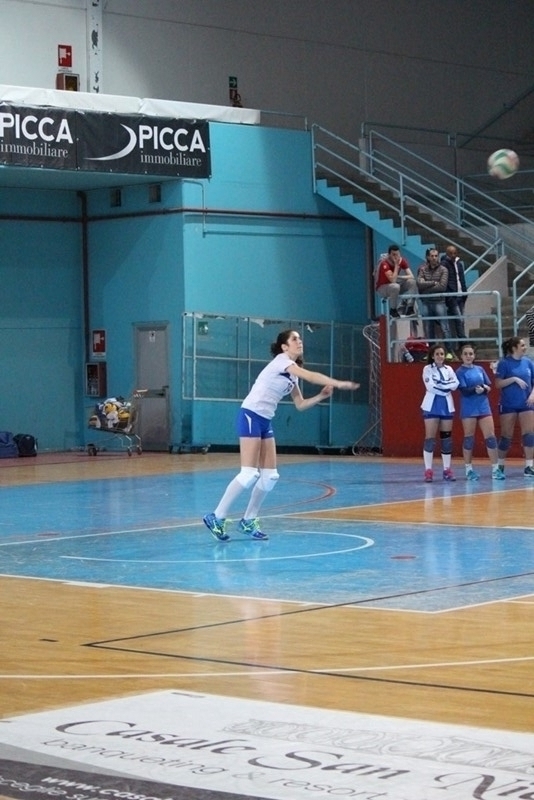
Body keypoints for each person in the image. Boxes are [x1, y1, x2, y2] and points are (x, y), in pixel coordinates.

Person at [202, 329, 360, 541]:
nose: (299, 341)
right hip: (250, 415)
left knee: (270, 476)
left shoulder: (292, 374)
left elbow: (300, 404)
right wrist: (338, 383)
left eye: (300, 338)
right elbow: (310, 376)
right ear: (284, 346)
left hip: (265, 420)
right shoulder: (281, 362)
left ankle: (248, 521)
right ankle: (216, 516)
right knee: (249, 474)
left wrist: (321, 396)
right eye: (295, 339)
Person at [456, 342, 504, 481]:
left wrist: (485, 388)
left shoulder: (480, 369)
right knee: (469, 439)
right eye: (465, 354)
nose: (468, 356)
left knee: (491, 437)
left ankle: (495, 469)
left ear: (474, 355)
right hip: (469, 408)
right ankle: (469, 470)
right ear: (461, 356)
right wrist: (476, 389)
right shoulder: (459, 372)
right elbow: (464, 390)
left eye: (471, 354)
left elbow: (488, 385)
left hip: (483, 406)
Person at [494, 336, 534, 478]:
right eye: (522, 345)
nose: (525, 347)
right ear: (514, 348)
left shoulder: (528, 362)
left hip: (526, 404)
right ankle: (499, 466)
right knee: (506, 437)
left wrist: (532, 395)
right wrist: (514, 379)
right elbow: (498, 384)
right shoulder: (504, 363)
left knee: (529, 435)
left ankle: (529, 466)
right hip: (508, 404)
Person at [421, 342, 459, 482]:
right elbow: (430, 387)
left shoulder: (449, 369)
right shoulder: (427, 369)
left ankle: (447, 470)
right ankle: (428, 470)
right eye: (437, 354)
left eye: (442, 354)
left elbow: (455, 385)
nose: (440, 356)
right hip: (432, 406)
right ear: (432, 356)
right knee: (430, 439)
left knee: (446, 439)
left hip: (447, 406)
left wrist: (441, 385)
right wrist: (446, 386)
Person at [416, 248, 455, 360]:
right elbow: (419, 284)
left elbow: (442, 287)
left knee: (445, 328)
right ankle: (431, 353)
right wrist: (433, 283)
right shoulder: (422, 269)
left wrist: (426, 288)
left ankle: (449, 352)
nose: (434, 258)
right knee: (429, 328)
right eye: (432, 256)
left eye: (436, 256)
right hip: (426, 302)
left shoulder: (443, 269)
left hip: (439, 302)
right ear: (428, 257)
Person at [375, 244, 417, 319]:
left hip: (395, 287)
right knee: (395, 286)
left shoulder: (402, 260)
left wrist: (400, 277)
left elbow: (411, 276)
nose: (396, 257)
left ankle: (410, 308)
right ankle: (393, 310)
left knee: (412, 282)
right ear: (389, 255)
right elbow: (393, 280)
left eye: (397, 254)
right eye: (393, 254)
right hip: (382, 287)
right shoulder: (384, 263)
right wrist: (396, 266)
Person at [441, 244, 467, 343]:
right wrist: (449, 295)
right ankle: (463, 341)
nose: (453, 255)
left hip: (461, 295)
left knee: (461, 320)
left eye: (454, 253)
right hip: (452, 296)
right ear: (447, 254)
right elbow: (445, 281)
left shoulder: (459, 264)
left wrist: (465, 293)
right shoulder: (444, 264)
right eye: (451, 253)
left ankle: (461, 342)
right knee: (459, 319)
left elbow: (462, 279)